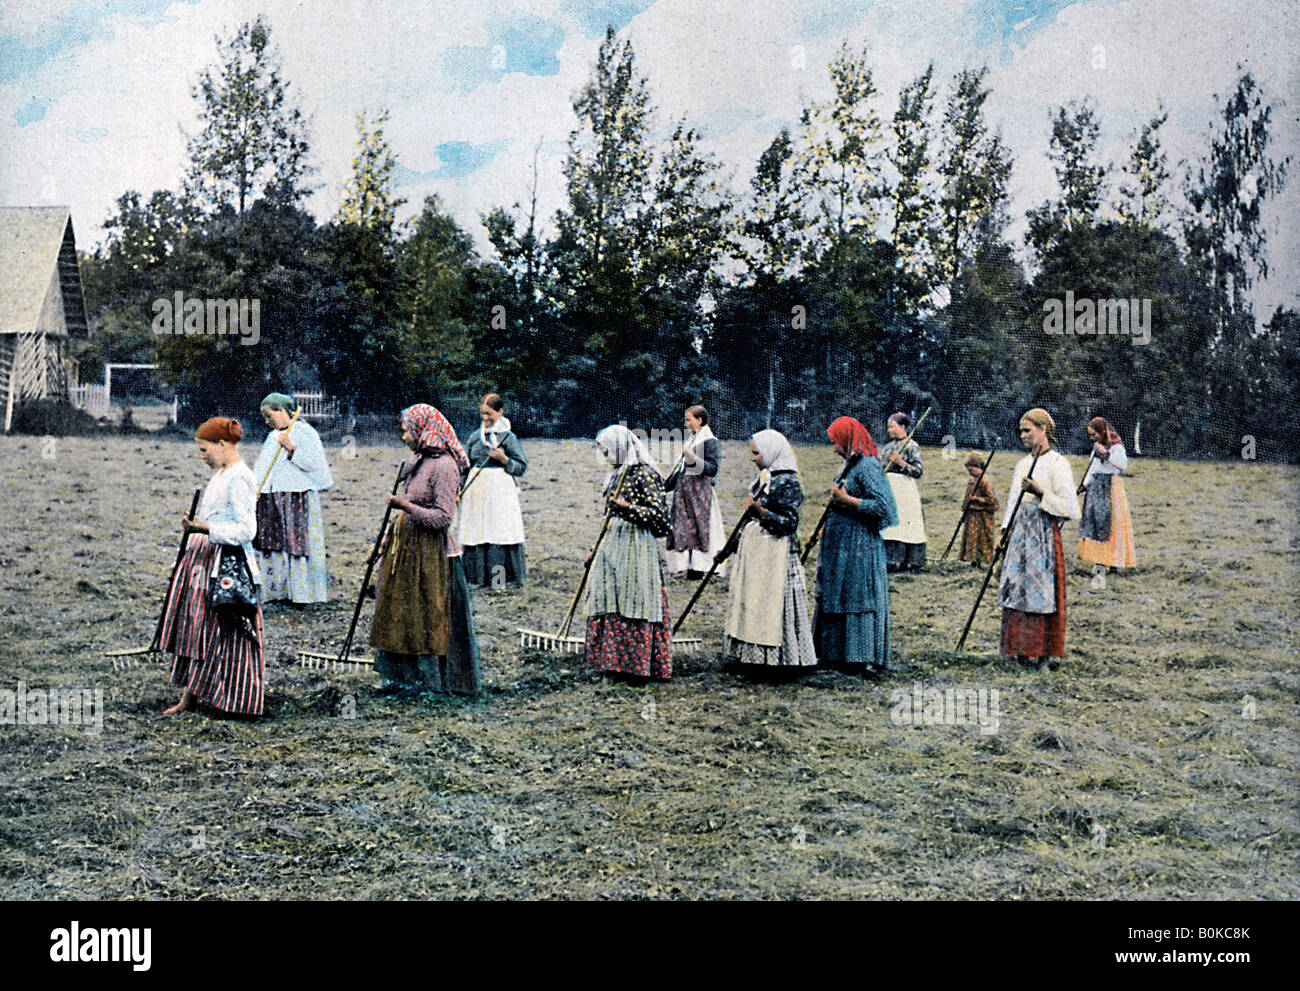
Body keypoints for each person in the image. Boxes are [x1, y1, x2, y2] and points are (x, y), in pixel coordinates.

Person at [369, 404, 481, 696]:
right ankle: (405, 679)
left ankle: (437, 683)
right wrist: (382, 546)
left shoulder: (445, 466)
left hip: (436, 558)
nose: (403, 435)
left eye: (406, 429)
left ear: (421, 428)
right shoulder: (418, 462)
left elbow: (443, 518)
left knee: (431, 618)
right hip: (407, 552)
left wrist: (404, 505)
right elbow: (403, 515)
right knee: (405, 617)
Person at [159, 417, 264, 717]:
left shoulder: (240, 477)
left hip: (226, 567)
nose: (200, 456)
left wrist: (206, 529)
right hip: (203, 559)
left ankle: (235, 702)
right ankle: (189, 698)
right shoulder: (221, 474)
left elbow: (247, 530)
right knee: (198, 630)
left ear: (223, 444)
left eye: (204, 450)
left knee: (225, 632)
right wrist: (195, 526)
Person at [715, 429, 816, 669]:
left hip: (777, 557)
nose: (752, 458)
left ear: (771, 452)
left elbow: (789, 524)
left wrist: (760, 512)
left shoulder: (788, 482)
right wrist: (728, 550)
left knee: (773, 609)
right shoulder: (766, 478)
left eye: (756, 453)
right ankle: (752, 657)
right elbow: (748, 521)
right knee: (755, 605)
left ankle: (779, 661)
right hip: (759, 554)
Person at [584, 425, 673, 681]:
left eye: (607, 451)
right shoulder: (615, 475)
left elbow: (662, 520)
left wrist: (629, 508)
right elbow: (607, 517)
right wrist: (596, 549)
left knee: (634, 599)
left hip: (637, 545)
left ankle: (635, 666)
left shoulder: (645, 474)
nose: (605, 457)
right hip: (612, 543)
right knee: (610, 597)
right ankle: (611, 663)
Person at [813, 416, 898, 678]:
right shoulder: (850, 466)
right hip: (841, 548)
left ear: (847, 439)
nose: (834, 447)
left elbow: (886, 508)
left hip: (859, 547)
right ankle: (835, 654)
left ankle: (857, 659)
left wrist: (848, 500)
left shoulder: (868, 467)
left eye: (836, 442)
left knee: (856, 599)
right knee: (839, 595)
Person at [997, 408, 1081, 671]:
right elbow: (1013, 501)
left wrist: (1040, 491)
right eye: (1021, 431)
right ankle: (1020, 651)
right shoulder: (1022, 464)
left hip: (1043, 537)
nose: (1022, 435)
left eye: (1028, 430)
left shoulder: (1058, 463)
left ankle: (1043, 655)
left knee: (1040, 593)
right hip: (1020, 534)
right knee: (1017, 589)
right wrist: (1003, 532)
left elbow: (1071, 509)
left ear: (1043, 430)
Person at [251, 393, 334, 605]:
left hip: (297, 496)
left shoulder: (305, 433)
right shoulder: (272, 437)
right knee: (274, 543)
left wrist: (292, 449)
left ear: (282, 411)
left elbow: (317, 467)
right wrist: (255, 490)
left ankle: (302, 594)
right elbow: (262, 468)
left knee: (297, 544)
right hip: (272, 497)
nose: (267, 421)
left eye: (269, 415)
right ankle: (278, 593)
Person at [455, 393, 528, 589]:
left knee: (499, 532)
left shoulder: (508, 437)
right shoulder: (474, 437)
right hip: (477, 490)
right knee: (477, 531)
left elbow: (521, 467)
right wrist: (459, 488)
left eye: (490, 414)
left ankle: (500, 581)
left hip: (500, 491)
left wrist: (504, 460)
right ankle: (476, 579)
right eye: (483, 414)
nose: (486, 418)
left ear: (500, 412)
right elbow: (465, 467)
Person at [665, 404, 726, 580]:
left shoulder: (710, 442)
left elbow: (712, 469)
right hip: (685, 492)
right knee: (684, 528)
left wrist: (693, 459)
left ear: (699, 420)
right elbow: (680, 470)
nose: (686, 424)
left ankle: (699, 568)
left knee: (700, 528)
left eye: (689, 419)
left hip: (700, 494)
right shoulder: (691, 441)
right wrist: (663, 487)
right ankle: (687, 565)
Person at [1077, 416, 1136, 572]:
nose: (1092, 438)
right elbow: (1092, 468)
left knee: (1111, 524)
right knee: (1096, 523)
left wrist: (1107, 455)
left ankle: (1114, 563)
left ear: (1102, 432)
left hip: (1110, 488)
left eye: (1094, 434)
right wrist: (1084, 484)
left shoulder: (1116, 448)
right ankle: (1100, 560)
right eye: (1090, 435)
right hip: (1095, 488)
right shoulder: (1096, 448)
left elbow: (1122, 466)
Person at [878, 412, 928, 572]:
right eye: (888, 427)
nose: (889, 430)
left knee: (908, 525)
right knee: (891, 526)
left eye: (892, 427)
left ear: (903, 427)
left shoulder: (912, 446)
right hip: (889, 489)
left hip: (905, 490)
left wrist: (901, 463)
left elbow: (918, 471)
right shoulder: (887, 448)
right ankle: (891, 561)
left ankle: (912, 562)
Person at [958, 452, 1001, 568]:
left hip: (982, 517)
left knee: (981, 540)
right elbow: (967, 497)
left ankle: (980, 562)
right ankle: (973, 561)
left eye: (971, 469)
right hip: (972, 517)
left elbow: (992, 501)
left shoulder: (984, 482)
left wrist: (978, 499)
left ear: (977, 466)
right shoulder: (972, 481)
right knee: (972, 539)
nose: (969, 472)